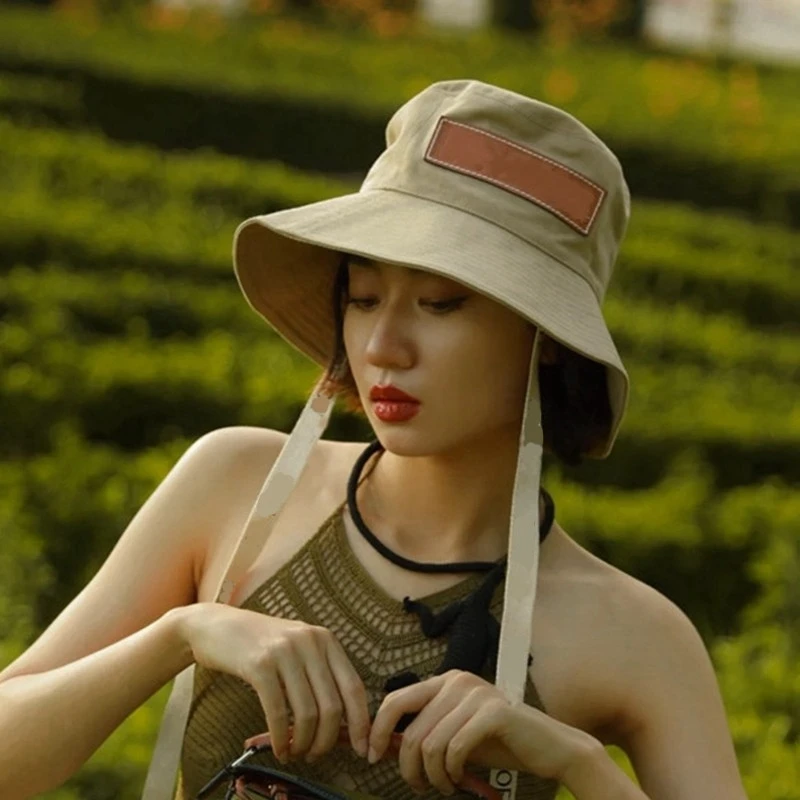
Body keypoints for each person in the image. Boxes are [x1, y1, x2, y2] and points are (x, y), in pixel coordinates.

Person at [0, 80, 747, 800]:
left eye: (440, 303)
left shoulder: (634, 634)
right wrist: (182, 634)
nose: (384, 345)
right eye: (361, 297)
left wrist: (578, 761)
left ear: (546, 336)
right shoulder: (233, 482)